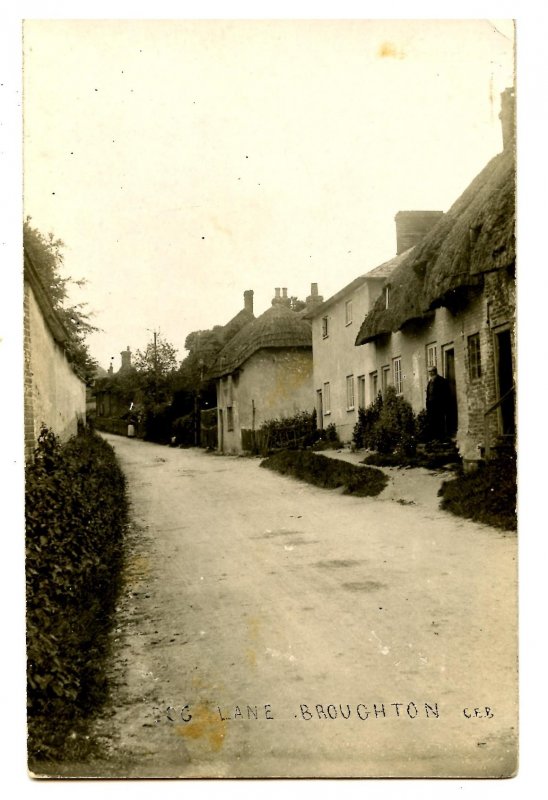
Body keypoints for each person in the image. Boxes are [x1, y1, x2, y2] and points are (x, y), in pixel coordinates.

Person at [426, 366, 451, 441]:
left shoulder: (441, 381)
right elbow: (428, 394)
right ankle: (434, 437)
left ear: (435, 371)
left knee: (440, 420)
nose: (430, 373)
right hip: (431, 405)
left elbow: (446, 393)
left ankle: (441, 437)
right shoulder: (430, 382)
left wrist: (443, 404)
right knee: (432, 421)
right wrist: (427, 403)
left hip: (439, 405)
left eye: (431, 371)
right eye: (429, 372)